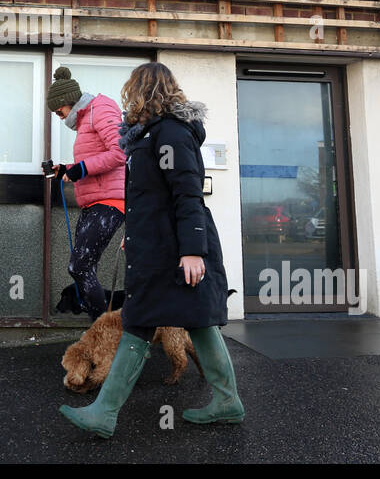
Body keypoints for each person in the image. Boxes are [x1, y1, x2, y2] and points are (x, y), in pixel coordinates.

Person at [59, 61, 245, 438]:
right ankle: (107, 413)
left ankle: (109, 413)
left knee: (175, 322)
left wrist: (193, 251)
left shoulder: (172, 133)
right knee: (153, 322)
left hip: (175, 249)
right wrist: (136, 234)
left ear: (144, 91)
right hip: (156, 245)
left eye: (132, 91)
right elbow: (147, 198)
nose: (128, 99)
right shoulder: (147, 135)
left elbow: (187, 193)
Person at [45, 65, 126, 319]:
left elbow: (120, 152)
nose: (59, 117)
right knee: (82, 267)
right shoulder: (84, 119)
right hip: (94, 202)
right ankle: (103, 331)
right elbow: (92, 162)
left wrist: (81, 169)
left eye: (59, 111)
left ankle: (104, 331)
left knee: (79, 266)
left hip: (110, 203)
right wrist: (65, 170)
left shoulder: (100, 110)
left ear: (69, 102)